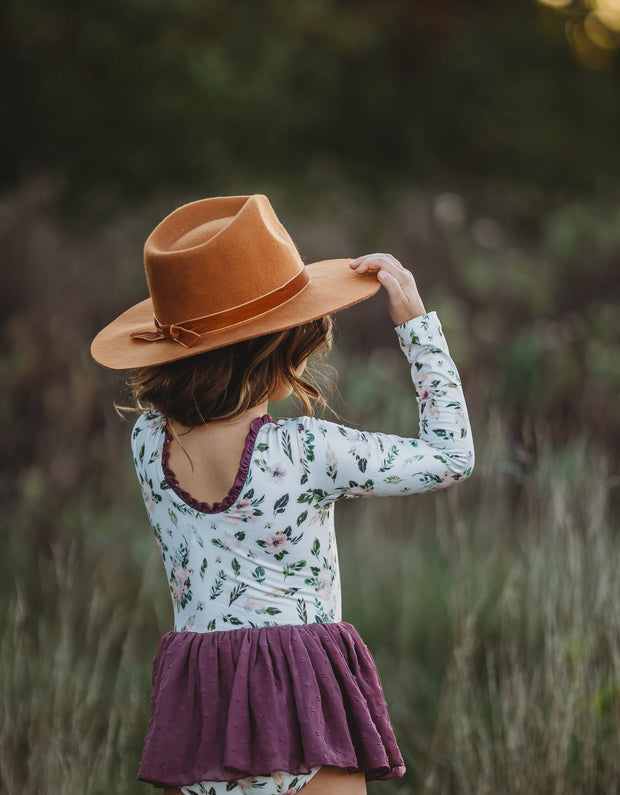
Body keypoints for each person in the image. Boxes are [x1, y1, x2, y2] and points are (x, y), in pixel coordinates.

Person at [91, 194, 474, 795]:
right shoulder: (303, 450)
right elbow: (453, 456)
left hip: (202, 707)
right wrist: (417, 328)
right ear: (283, 342)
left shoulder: (147, 441)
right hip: (303, 696)